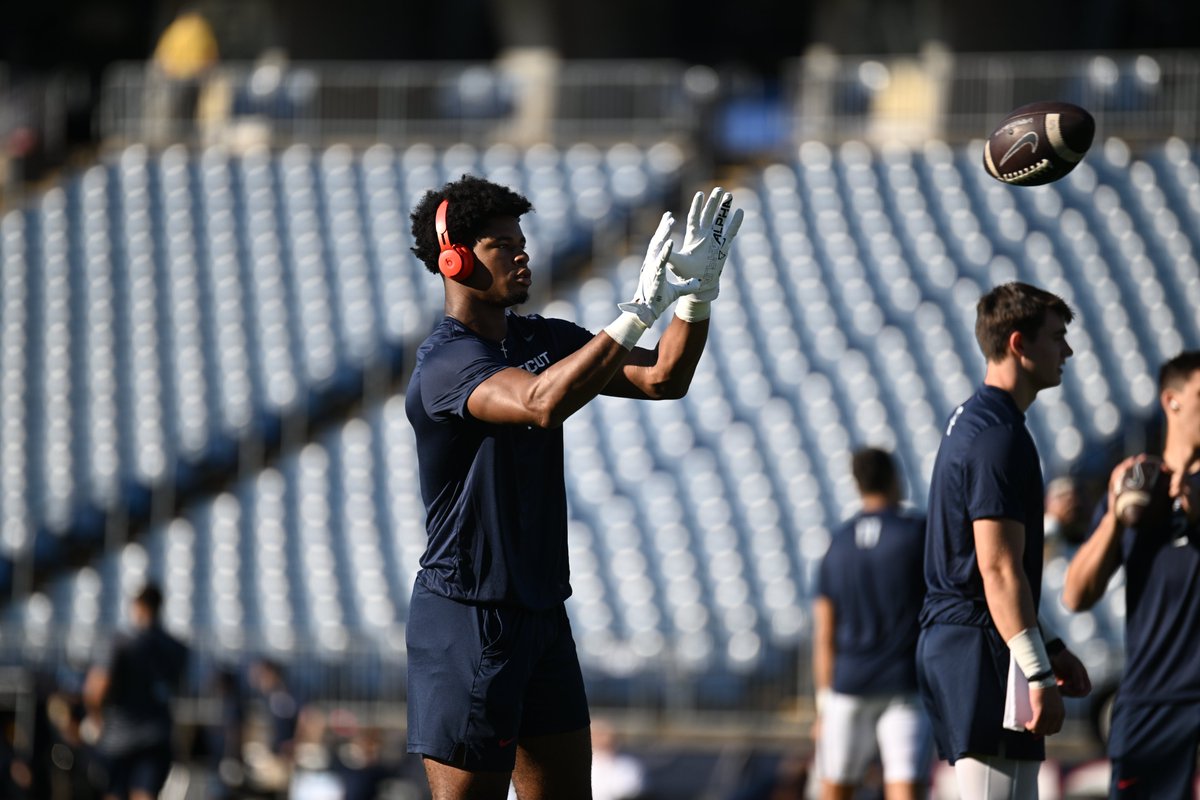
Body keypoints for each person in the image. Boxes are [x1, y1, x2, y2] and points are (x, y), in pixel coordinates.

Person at [403, 174, 743, 800]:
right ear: (454, 259)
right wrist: (636, 312)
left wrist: (695, 298)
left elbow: (664, 378)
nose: (521, 254)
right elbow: (539, 402)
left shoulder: (543, 337)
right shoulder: (446, 361)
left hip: (540, 610)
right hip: (469, 615)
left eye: (521, 241)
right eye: (502, 245)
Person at [916, 282, 1092, 799]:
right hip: (979, 647)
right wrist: (1038, 675)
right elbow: (996, 570)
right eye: (1056, 337)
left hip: (968, 638)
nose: (1067, 350)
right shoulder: (998, 435)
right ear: (1019, 343)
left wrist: (1050, 646)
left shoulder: (977, 421)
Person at [1062, 350, 1200, 799]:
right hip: (1151, 702)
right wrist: (1114, 518)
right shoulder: (1136, 486)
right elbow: (1076, 595)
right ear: (1171, 400)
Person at [812, 447, 931, 800]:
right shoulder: (917, 533)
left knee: (836, 787)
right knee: (904, 786)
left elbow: (824, 631)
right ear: (894, 478)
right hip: (903, 683)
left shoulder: (837, 542)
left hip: (848, 684)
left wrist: (823, 702)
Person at [83, 583, 189, 800]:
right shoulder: (177, 648)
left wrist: (96, 719)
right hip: (157, 736)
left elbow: (96, 689)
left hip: (118, 738)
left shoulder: (119, 643)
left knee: (115, 794)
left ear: (137, 606)